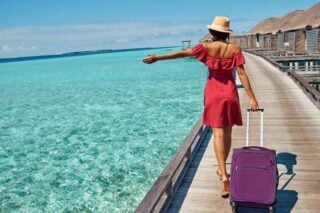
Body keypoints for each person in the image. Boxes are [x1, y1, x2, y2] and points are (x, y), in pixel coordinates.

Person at [142, 16, 259, 198]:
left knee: (217, 134)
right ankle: (222, 170)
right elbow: (242, 75)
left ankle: (224, 177)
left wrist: (158, 57)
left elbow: (182, 54)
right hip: (229, 92)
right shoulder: (235, 49)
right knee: (227, 133)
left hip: (213, 92)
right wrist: (252, 98)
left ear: (212, 32)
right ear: (226, 33)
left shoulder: (206, 47)